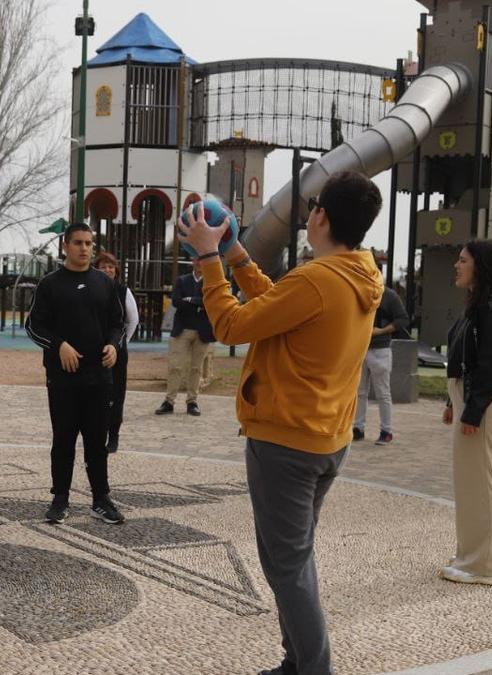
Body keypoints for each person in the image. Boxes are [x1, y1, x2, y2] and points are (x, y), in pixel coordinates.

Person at [178, 171, 384, 675]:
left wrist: (208, 259)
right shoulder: (360, 273)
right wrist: (238, 257)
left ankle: (313, 669)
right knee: (291, 560)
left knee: (288, 567)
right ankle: (297, 662)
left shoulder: (318, 279)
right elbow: (280, 303)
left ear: (321, 217)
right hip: (325, 437)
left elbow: (231, 325)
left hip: (287, 442)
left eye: (313, 207)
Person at [25, 223, 125, 525]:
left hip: (99, 378)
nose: (85, 248)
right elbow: (33, 326)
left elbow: (117, 323)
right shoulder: (50, 284)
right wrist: (59, 346)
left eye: (89, 243)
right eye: (79, 243)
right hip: (63, 378)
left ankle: (100, 498)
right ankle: (60, 498)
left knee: (97, 440)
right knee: (64, 438)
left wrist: (113, 345)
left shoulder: (104, 284)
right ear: (65, 246)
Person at [439, 240, 492, 586]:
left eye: (462, 260)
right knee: (470, 484)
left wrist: (472, 412)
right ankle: (472, 556)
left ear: (482, 266)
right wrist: (452, 403)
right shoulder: (481, 306)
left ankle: (485, 566)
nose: (456, 266)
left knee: (482, 483)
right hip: (475, 401)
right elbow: (467, 359)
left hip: (484, 405)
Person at [156, 264, 216, 417]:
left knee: (196, 368)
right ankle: (169, 401)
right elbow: (176, 301)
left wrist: (190, 300)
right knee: (175, 366)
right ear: (194, 262)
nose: (200, 264)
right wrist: (198, 302)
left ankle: (192, 401)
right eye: (198, 260)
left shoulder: (211, 282)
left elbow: (211, 302)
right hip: (182, 330)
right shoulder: (181, 281)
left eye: (203, 260)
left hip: (202, 331)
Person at [353, 285, 410, 445]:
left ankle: (386, 431)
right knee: (360, 391)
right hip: (361, 348)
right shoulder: (358, 292)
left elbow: (402, 319)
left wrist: (382, 330)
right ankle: (358, 428)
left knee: (382, 393)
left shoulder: (389, 295)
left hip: (381, 349)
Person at [94, 251, 138, 453]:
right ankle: (96, 433)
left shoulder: (123, 291)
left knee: (116, 393)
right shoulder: (91, 290)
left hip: (116, 350)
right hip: (94, 349)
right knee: (96, 394)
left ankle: (113, 436)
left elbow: (132, 320)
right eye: (103, 266)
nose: (107, 270)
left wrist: (120, 343)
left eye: (110, 266)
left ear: (116, 270)